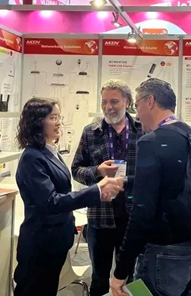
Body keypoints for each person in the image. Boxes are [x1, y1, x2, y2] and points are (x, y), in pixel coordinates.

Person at [13, 97, 124, 296]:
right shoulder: (32, 157)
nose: (58, 123)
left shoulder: (49, 152)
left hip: (55, 241)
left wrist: (98, 178)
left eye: (59, 117)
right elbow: (50, 202)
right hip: (40, 244)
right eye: (53, 118)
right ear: (37, 122)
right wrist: (97, 190)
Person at [110, 78, 191, 296]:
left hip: (164, 255)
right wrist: (127, 182)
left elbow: (141, 213)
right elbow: (173, 182)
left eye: (137, 105)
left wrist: (121, 271)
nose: (137, 115)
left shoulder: (151, 142)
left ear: (150, 101)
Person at [71, 80, 143, 296]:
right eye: (104, 102)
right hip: (100, 217)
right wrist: (98, 171)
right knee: (99, 278)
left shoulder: (143, 131)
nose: (108, 107)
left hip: (134, 218)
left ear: (127, 102)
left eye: (114, 101)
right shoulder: (91, 132)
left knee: (133, 277)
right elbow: (76, 169)